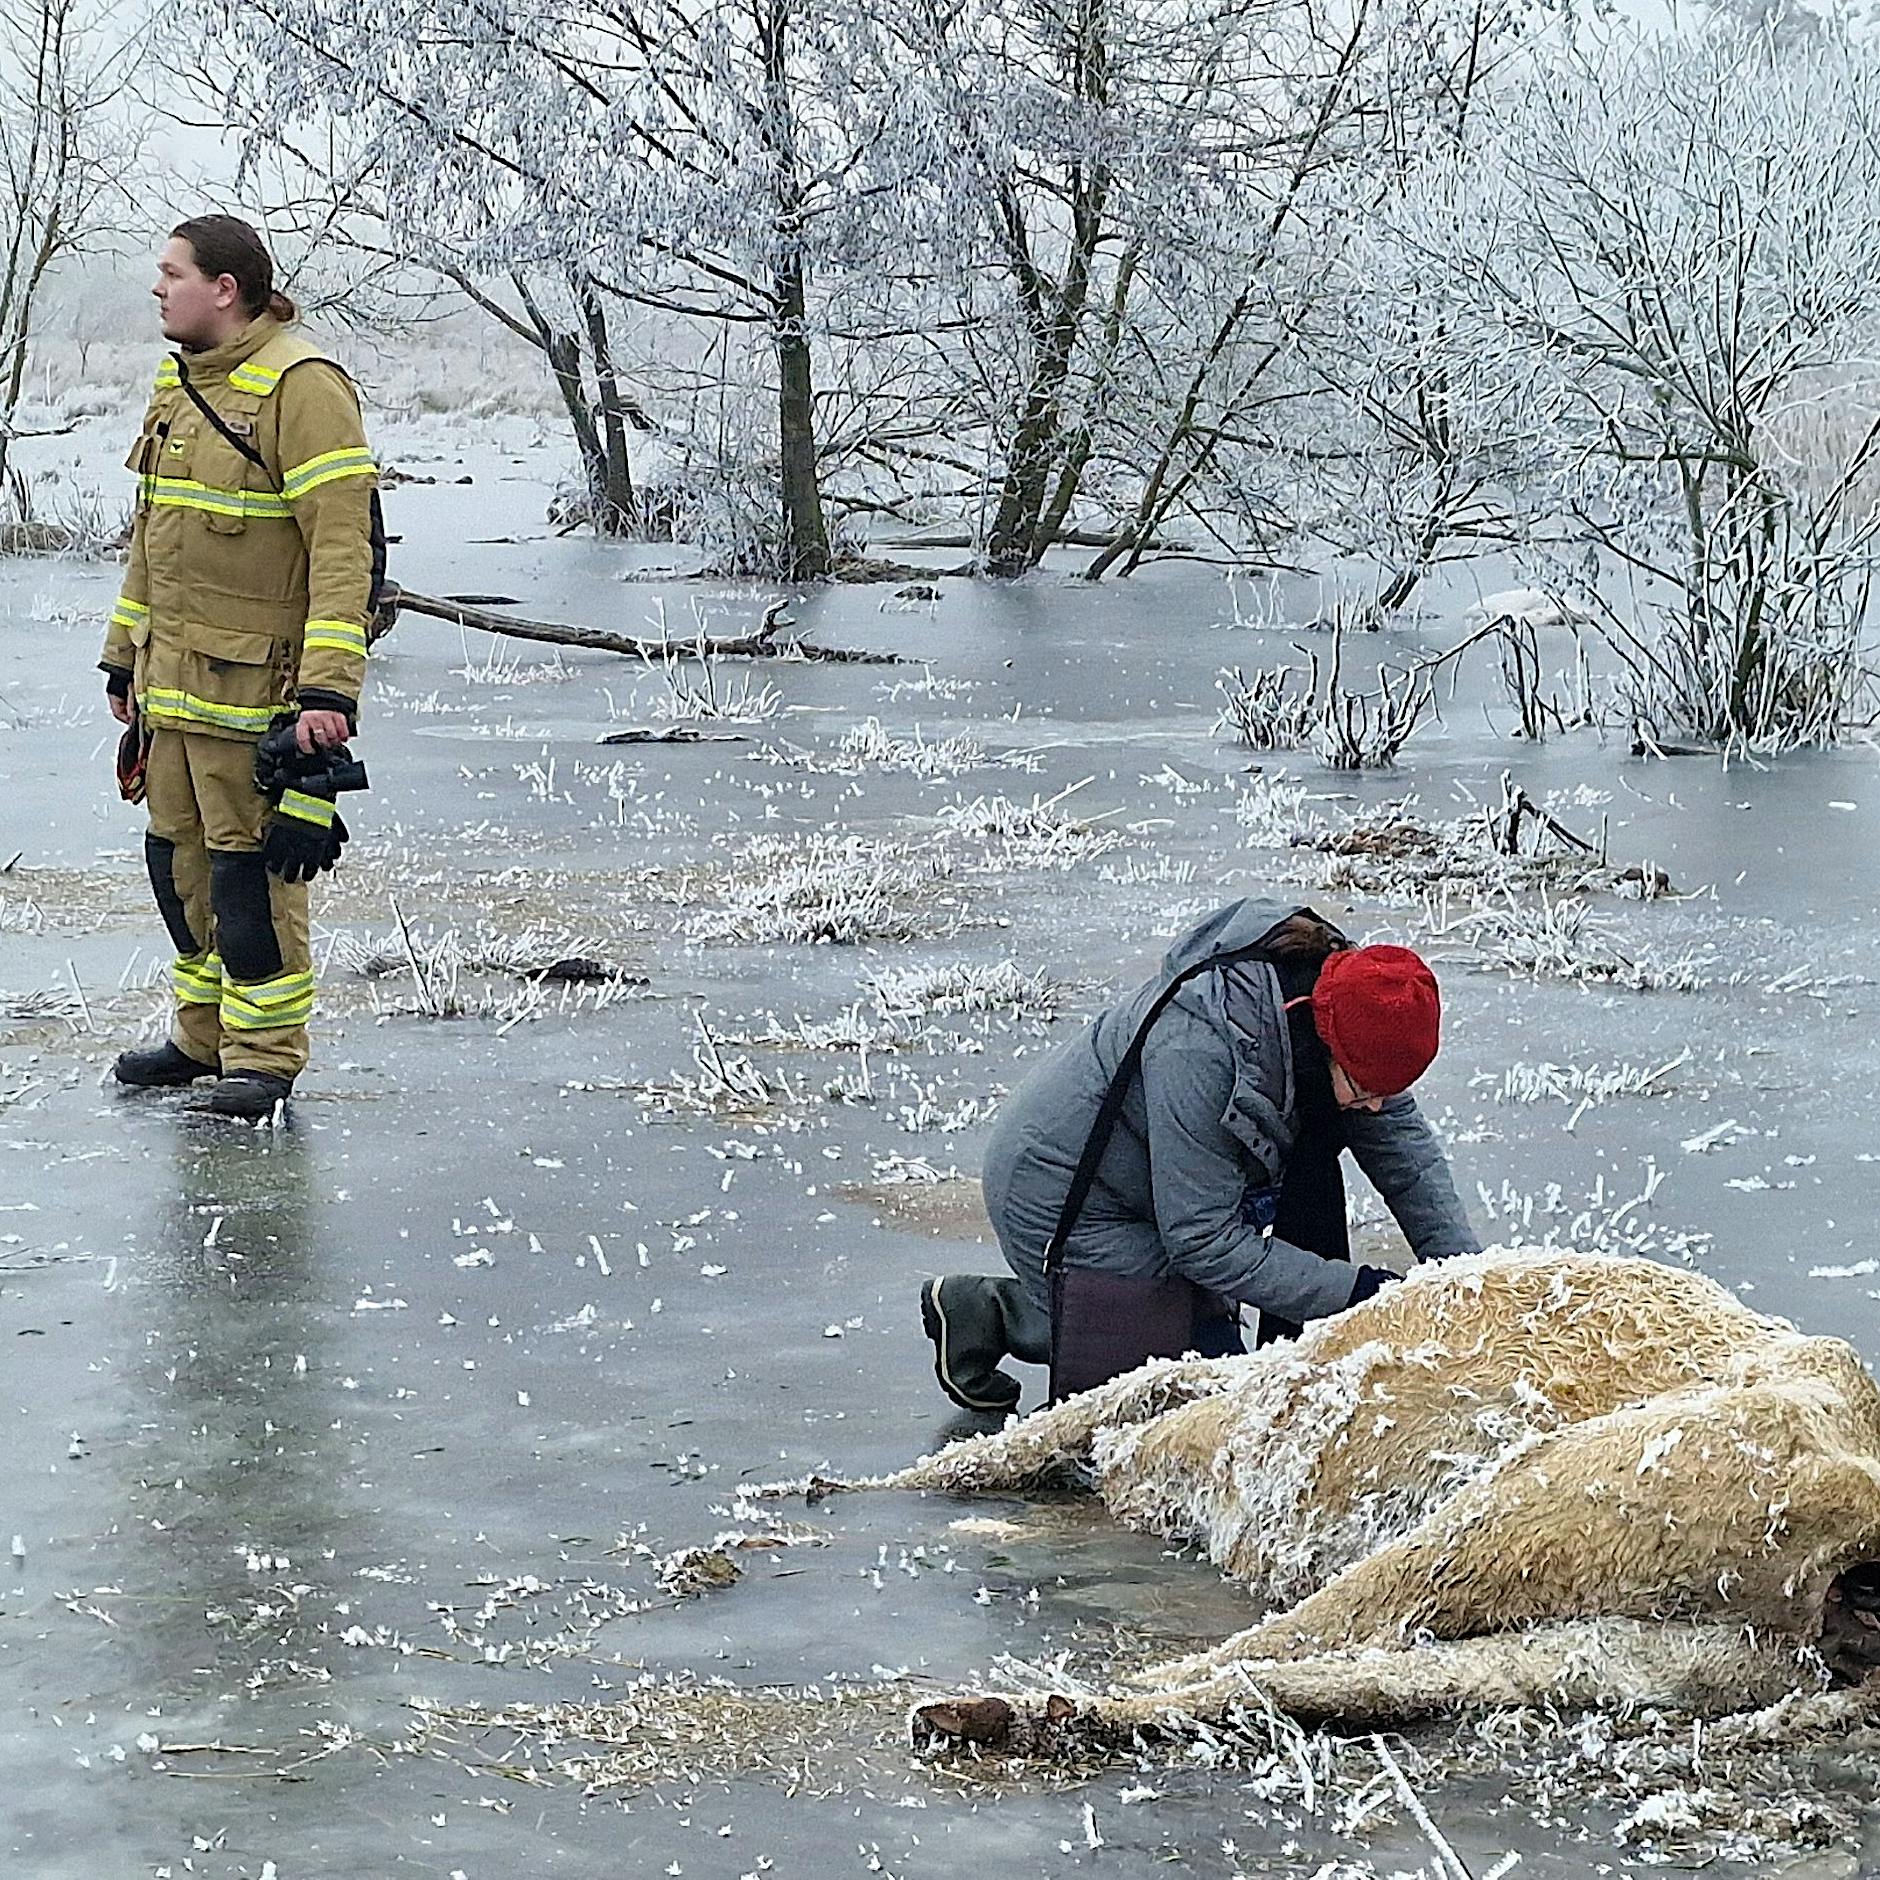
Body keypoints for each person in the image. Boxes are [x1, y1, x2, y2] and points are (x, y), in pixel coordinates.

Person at [919, 899, 1481, 1412]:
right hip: (1069, 1196)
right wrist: (1358, 1293)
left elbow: (1408, 1161)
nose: (1378, 1108)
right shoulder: (1202, 1048)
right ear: (1325, 1042)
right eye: (1364, 1090)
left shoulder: (1342, 1008)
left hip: (1158, 1189)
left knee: (1213, 1358)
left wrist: (1471, 1281)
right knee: (1180, 1400)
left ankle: (1045, 1311)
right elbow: (1203, 1240)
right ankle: (994, 1313)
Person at [101, 216, 379, 1119]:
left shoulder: (303, 387)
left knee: (250, 878)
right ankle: (201, 1037)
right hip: (171, 689)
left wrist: (330, 692)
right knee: (176, 869)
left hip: (258, 695)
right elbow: (152, 538)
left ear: (225, 289)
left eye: (172, 273)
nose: (158, 288)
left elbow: (343, 553)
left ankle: (264, 1058)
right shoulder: (178, 386)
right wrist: (120, 659)